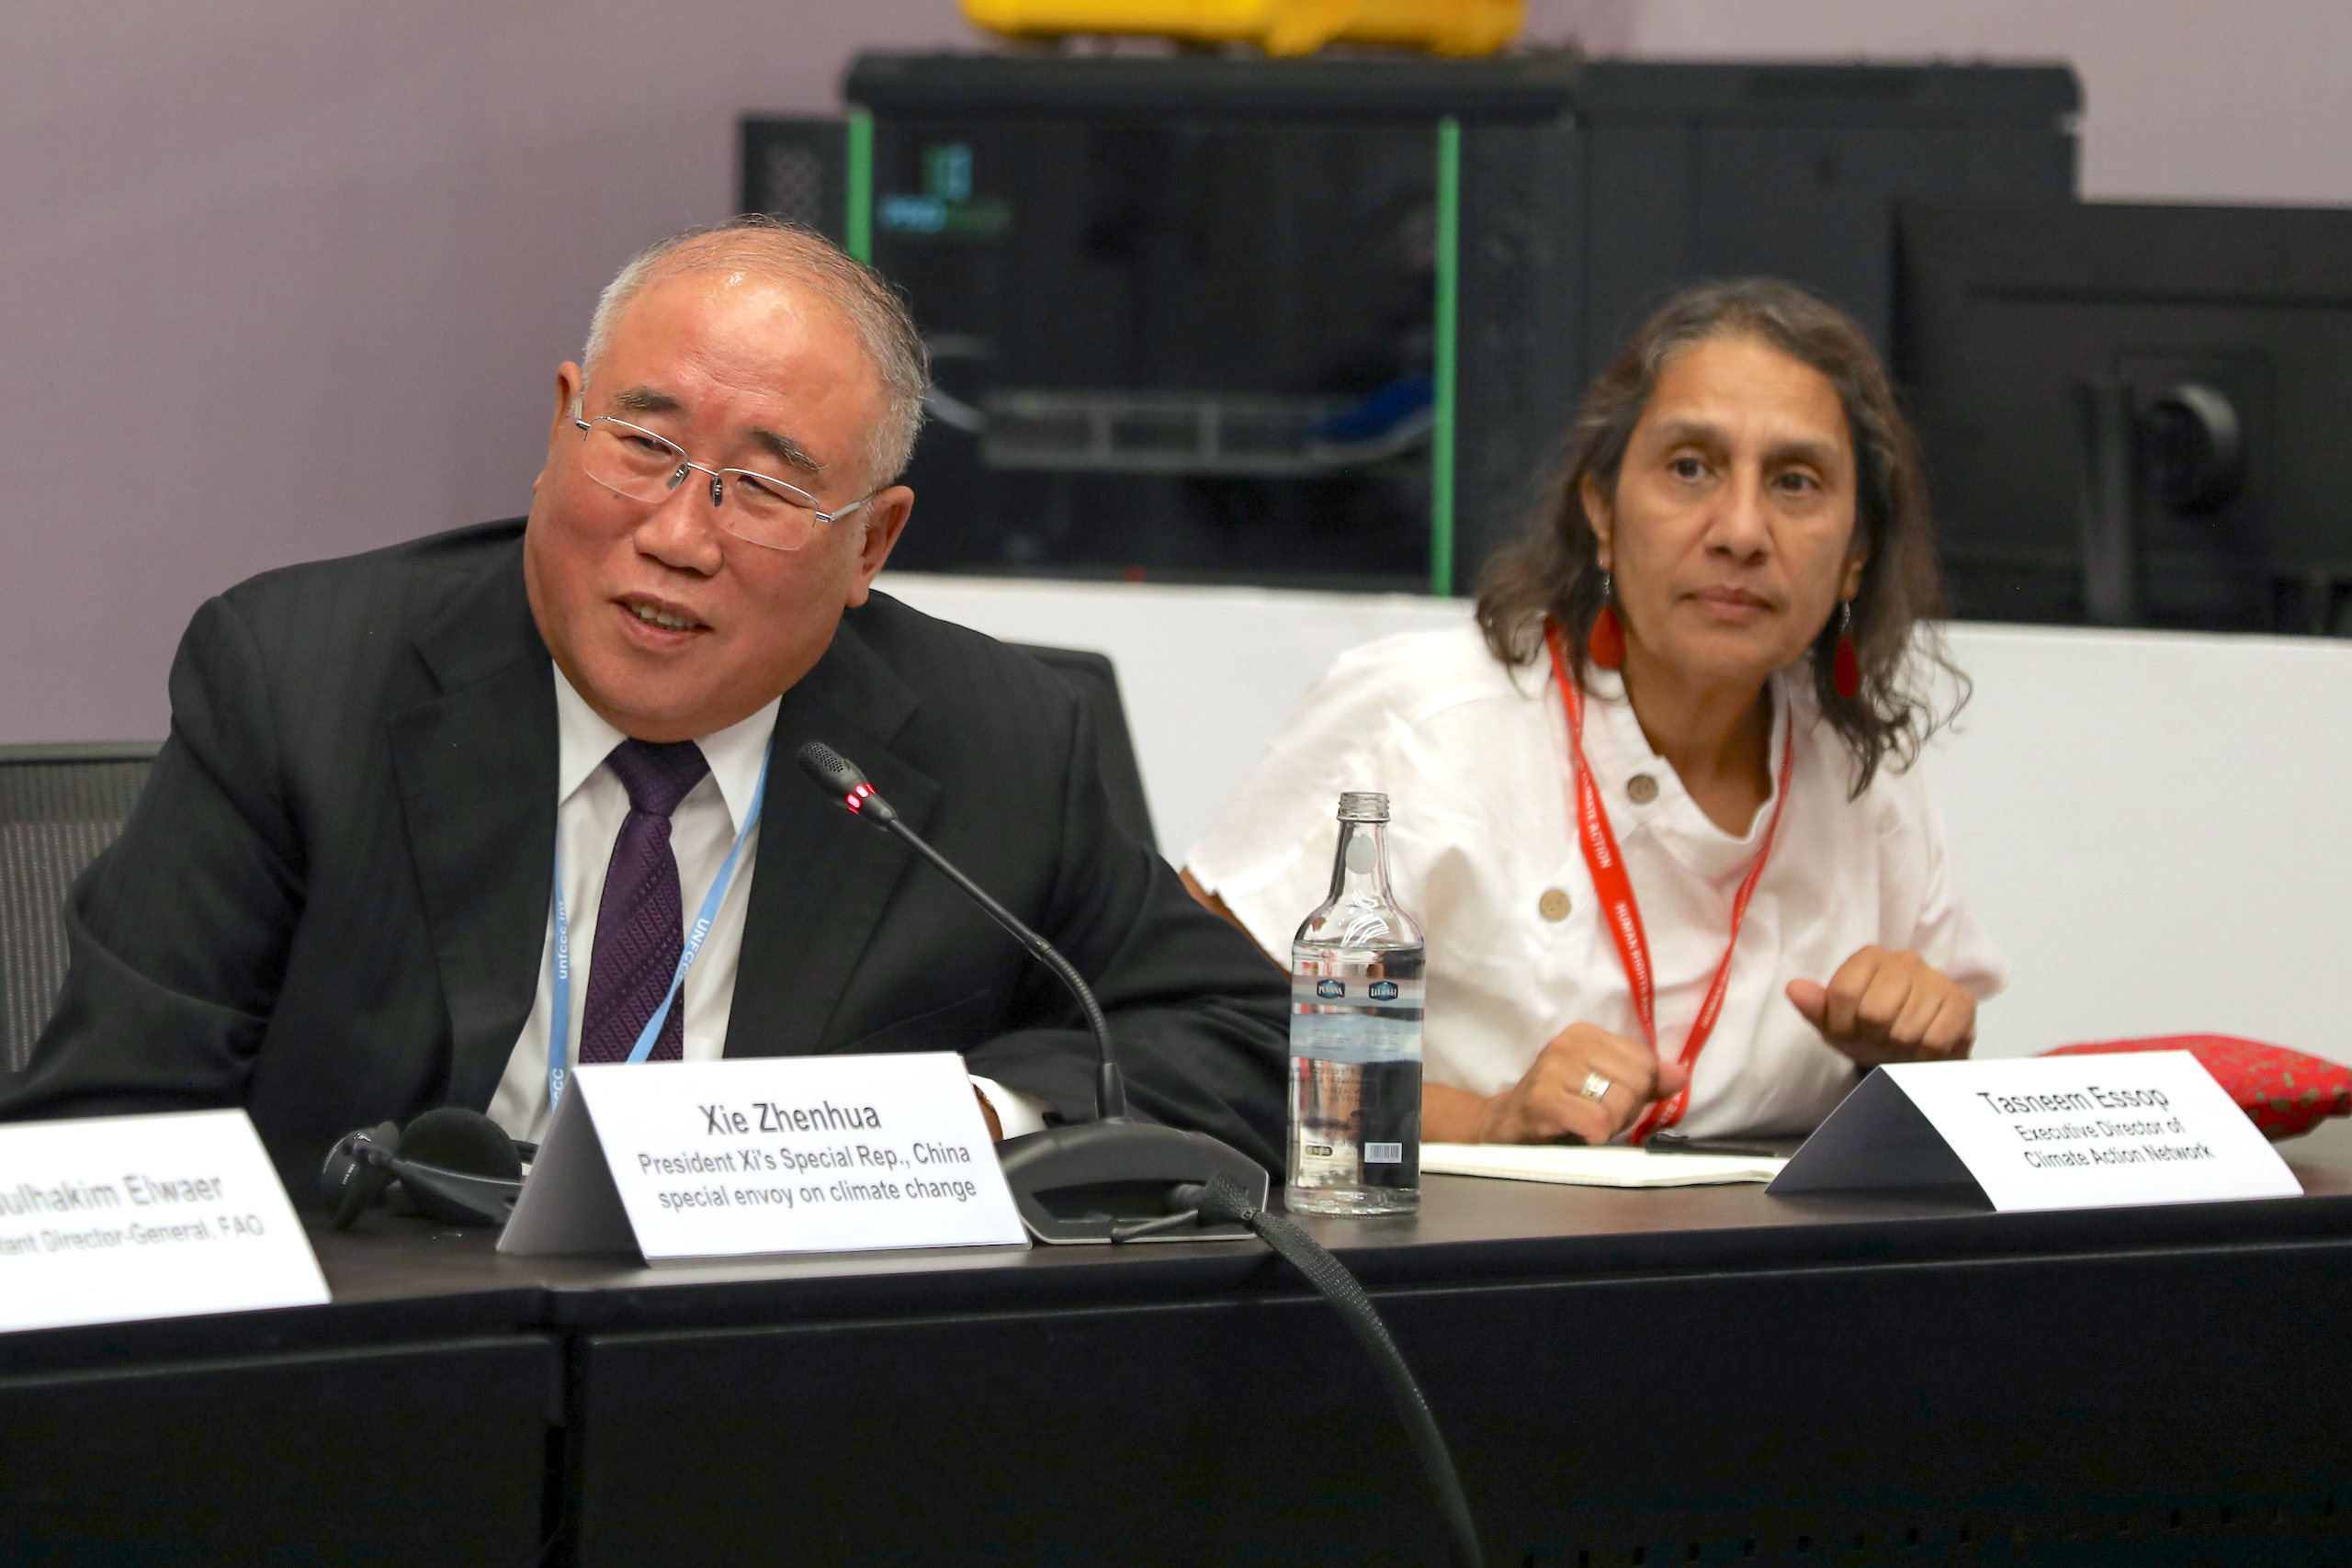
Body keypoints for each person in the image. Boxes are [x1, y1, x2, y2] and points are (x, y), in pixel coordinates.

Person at [3, 217, 1289, 1198]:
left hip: (772, 1400)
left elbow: (1236, 1034)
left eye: (768, 488)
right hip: (371, 1387)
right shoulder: (298, 680)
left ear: (873, 544)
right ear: (563, 423)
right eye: (643, 445)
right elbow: (106, 1124)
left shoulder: (992, 736)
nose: (679, 534)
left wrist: (983, 1115)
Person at [1185, 278, 2006, 1146]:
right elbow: (1194, 1031)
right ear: (1603, 512)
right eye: (1691, 467)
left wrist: (1908, 1059)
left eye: (1796, 482)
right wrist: (1487, 1120)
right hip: (1438, 1265)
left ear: (1855, 556)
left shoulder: (1863, 768)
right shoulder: (1428, 717)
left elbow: (1927, 1098)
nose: (1740, 529)